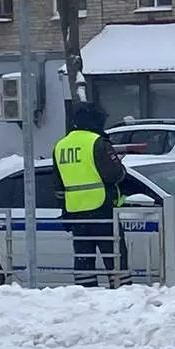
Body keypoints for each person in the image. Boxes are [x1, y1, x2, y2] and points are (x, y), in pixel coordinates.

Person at [52, 103, 129, 287]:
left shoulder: (61, 146)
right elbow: (114, 175)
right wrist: (121, 169)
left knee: (84, 259)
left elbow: (58, 186)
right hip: (102, 210)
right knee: (115, 259)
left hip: (76, 213)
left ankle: (85, 296)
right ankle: (123, 295)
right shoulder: (97, 142)